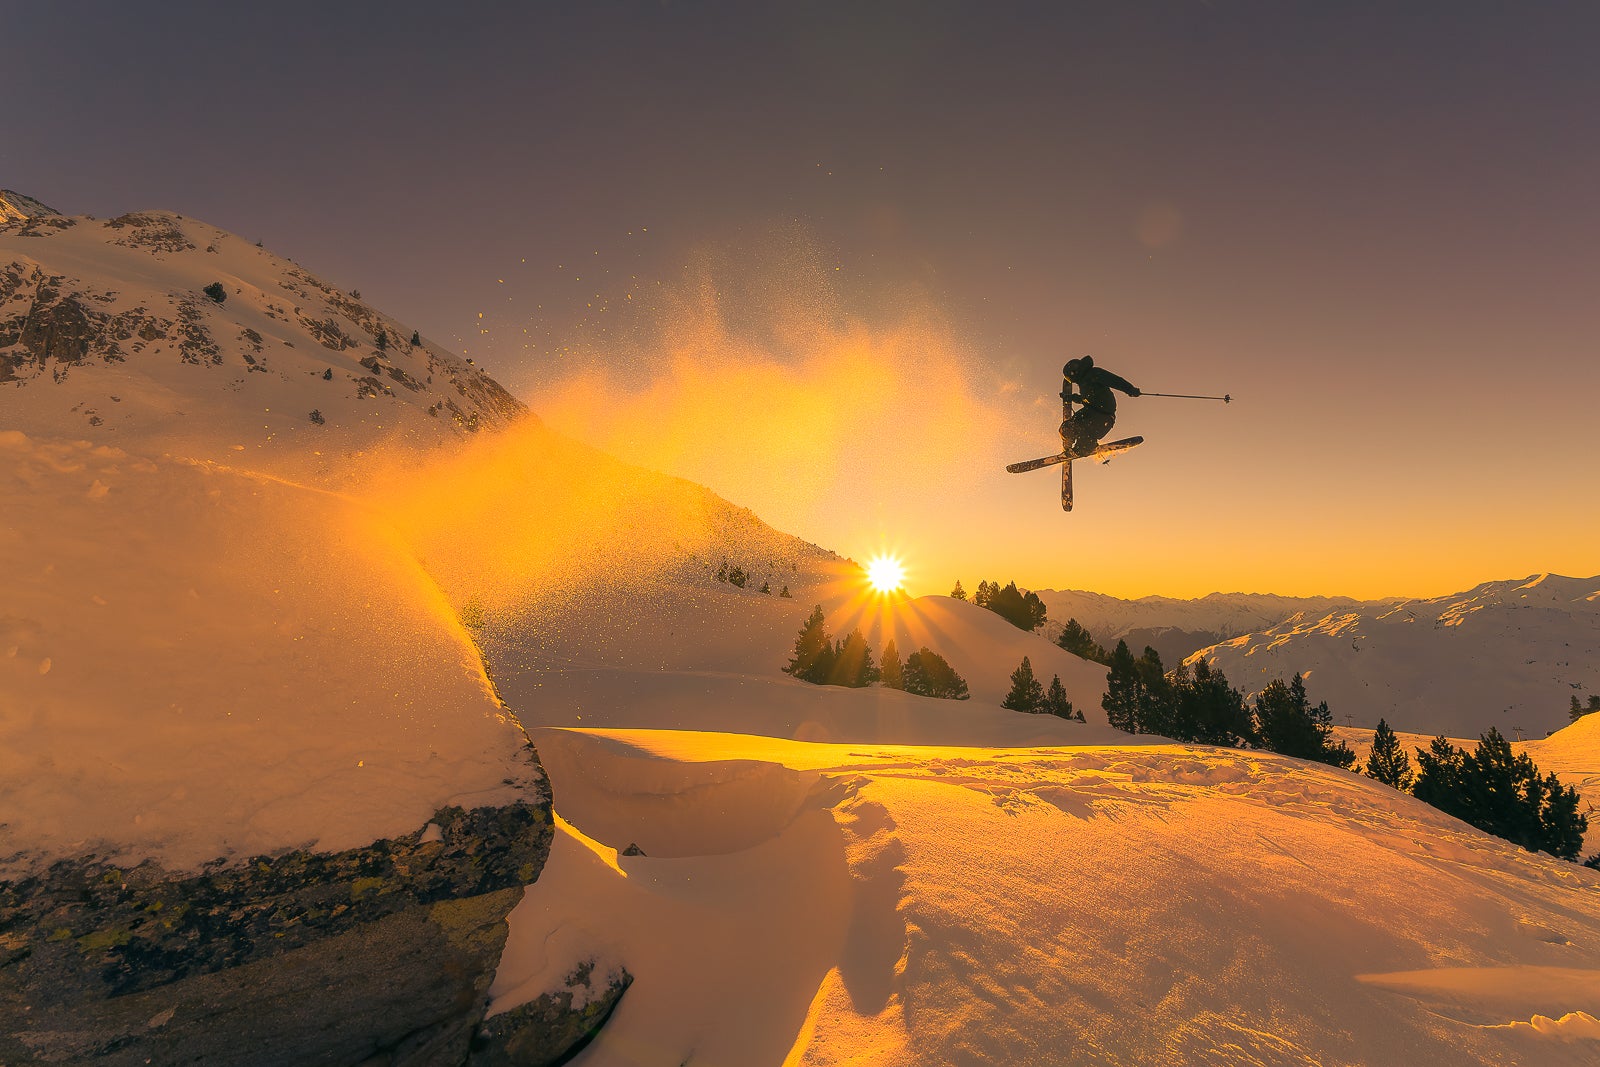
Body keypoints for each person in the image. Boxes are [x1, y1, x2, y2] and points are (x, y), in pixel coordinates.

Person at [1060, 356, 1139, 457]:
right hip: (1091, 411)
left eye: (1069, 378)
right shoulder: (1084, 383)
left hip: (1103, 417)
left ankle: (1084, 447)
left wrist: (1129, 389)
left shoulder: (1094, 374)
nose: (1071, 381)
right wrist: (1071, 397)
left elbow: (1114, 380)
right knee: (1069, 426)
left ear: (1074, 373)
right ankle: (1069, 444)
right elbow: (1087, 399)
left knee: (1085, 429)